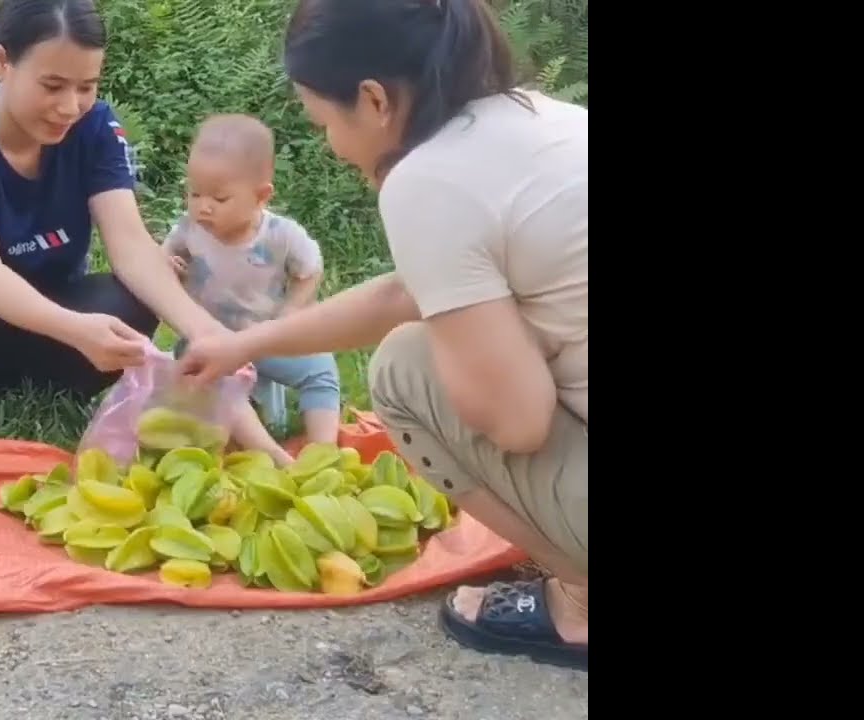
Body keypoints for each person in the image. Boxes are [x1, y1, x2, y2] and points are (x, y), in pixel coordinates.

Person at [178, 0, 587, 671]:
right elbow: (406, 292)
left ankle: (581, 604)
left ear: (373, 100)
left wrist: (474, 344)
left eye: (324, 122)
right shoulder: (543, 120)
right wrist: (242, 346)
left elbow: (517, 422)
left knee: (401, 368)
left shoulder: (429, 178)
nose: (332, 146)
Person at [0, 0, 224, 420]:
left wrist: (204, 331)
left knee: (134, 297)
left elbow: (131, 245)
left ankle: (46, 390)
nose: (70, 107)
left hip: (54, 313)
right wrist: (77, 330)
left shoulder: (96, 128)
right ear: (2, 62)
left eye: (86, 87)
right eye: (52, 86)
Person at [162, 114, 342, 466]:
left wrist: (292, 311)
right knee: (213, 381)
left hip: (264, 338)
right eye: (194, 193)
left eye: (219, 198)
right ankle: (272, 454)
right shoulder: (188, 230)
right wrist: (168, 264)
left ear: (261, 196)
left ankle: (325, 453)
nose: (203, 206)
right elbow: (158, 261)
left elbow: (310, 270)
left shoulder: (281, 235)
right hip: (208, 343)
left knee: (321, 368)